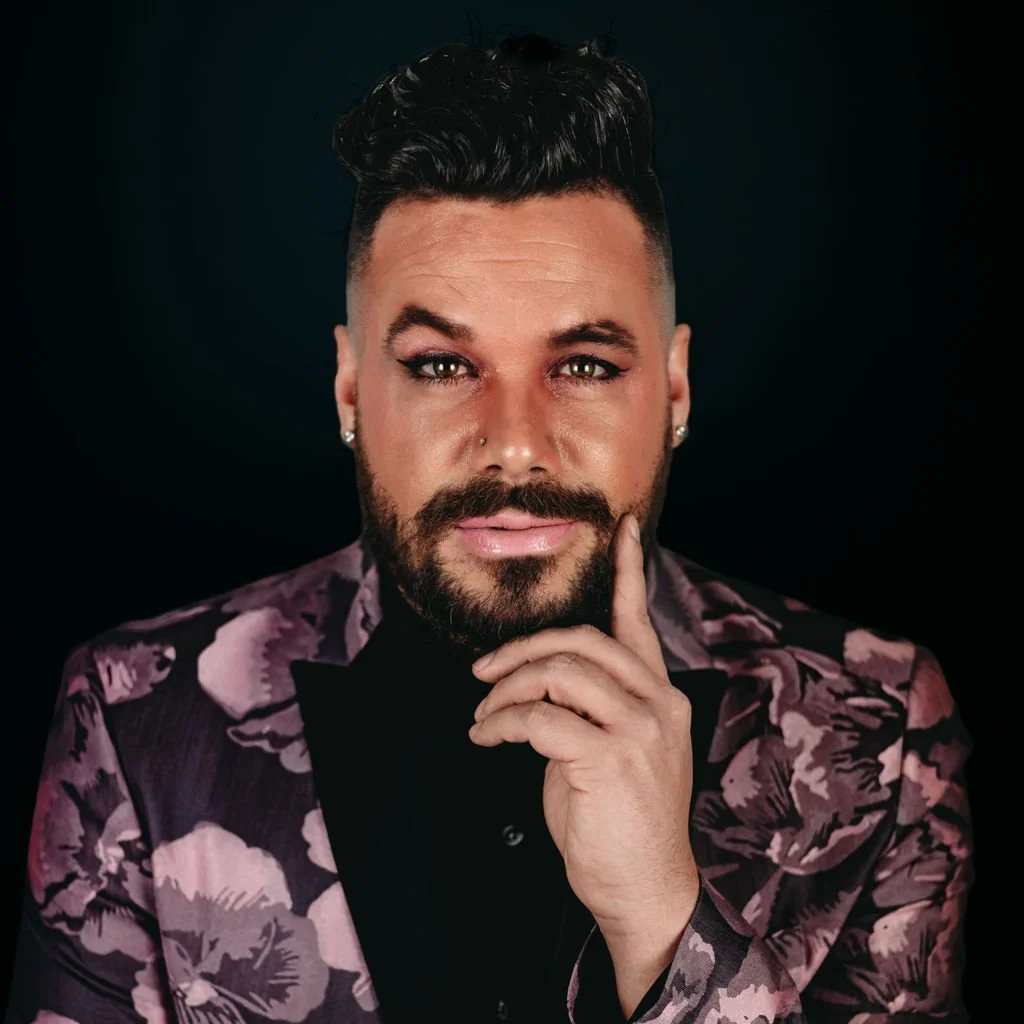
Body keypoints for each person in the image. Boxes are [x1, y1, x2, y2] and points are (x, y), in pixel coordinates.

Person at [6, 33, 972, 1024]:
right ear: (349, 388)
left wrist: (660, 917)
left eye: (585, 365)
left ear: (676, 389)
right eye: (441, 365)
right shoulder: (135, 717)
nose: (514, 444)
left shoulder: (881, 723)